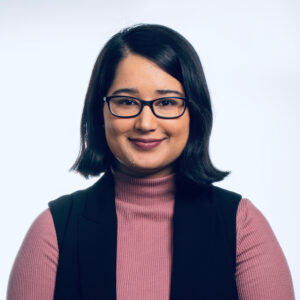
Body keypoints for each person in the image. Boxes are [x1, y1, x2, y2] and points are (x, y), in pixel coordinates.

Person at [7, 24, 295, 300]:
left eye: (167, 103)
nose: (146, 123)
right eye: (127, 102)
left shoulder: (241, 225)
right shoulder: (55, 230)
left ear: (193, 112)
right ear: (101, 111)